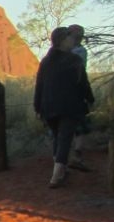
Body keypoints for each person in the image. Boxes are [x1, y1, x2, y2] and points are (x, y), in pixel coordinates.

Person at [34, 26, 95, 188]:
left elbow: (39, 85)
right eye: (70, 38)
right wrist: (90, 99)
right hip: (69, 106)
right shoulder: (74, 60)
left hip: (48, 106)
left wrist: (37, 107)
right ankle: (56, 176)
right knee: (65, 139)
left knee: (57, 137)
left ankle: (60, 169)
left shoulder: (45, 61)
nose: (73, 40)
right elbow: (83, 83)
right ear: (62, 41)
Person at [67, 23, 93, 171]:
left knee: (77, 126)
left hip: (69, 93)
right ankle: (75, 156)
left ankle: (73, 156)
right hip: (76, 93)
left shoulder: (67, 52)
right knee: (80, 126)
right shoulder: (80, 51)